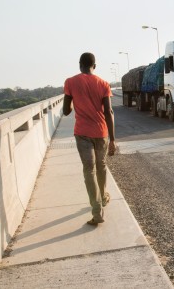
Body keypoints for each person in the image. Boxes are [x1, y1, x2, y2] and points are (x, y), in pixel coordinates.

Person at [63, 52, 116, 226]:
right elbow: (108, 112)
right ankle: (104, 196)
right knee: (101, 166)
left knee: (89, 170)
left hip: (82, 133)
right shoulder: (103, 83)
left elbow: (66, 111)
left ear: (80, 64)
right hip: (102, 132)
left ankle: (97, 210)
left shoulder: (70, 82)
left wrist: (75, 100)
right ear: (95, 65)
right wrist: (113, 140)